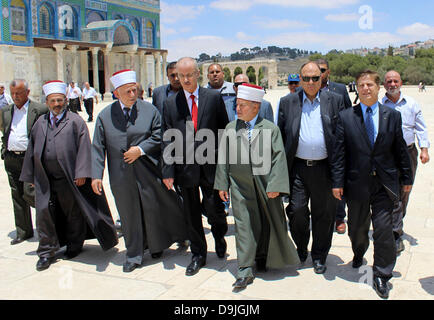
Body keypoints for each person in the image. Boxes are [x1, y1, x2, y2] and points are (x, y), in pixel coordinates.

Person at [92, 69, 187, 273]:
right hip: (120, 174)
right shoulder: (104, 116)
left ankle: (157, 246)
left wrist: (140, 150)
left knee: (152, 209)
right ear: (116, 93)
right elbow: (98, 147)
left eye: (135, 90)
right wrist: (96, 175)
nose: (133, 95)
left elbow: (158, 135)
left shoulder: (149, 111)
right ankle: (134, 254)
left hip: (148, 170)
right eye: (128, 91)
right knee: (128, 214)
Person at [19, 80, 118, 271]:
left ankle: (74, 245)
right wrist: (30, 176)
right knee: (43, 214)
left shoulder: (75, 121)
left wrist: (82, 173)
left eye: (60, 100)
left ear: (65, 100)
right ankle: (46, 252)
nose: (57, 104)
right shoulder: (40, 123)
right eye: (53, 101)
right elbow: (31, 149)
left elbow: (84, 148)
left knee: (73, 212)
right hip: (45, 179)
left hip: (69, 178)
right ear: (47, 102)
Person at [331, 70, 413, 299]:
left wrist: (406, 178)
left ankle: (381, 274)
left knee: (384, 230)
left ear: (379, 88)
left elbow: (400, 150)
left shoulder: (392, 116)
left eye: (369, 84)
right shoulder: (347, 117)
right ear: (357, 88)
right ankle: (359, 252)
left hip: (384, 184)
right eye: (361, 85)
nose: (365, 88)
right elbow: (339, 155)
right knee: (357, 228)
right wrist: (337, 182)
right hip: (357, 184)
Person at [215, 83, 300, 290]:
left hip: (266, 185)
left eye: (243, 105)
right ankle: (244, 269)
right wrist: (222, 184)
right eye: (237, 104)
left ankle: (263, 256)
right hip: (239, 185)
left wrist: (275, 185)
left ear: (255, 106)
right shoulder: (230, 128)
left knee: (266, 221)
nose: (237, 109)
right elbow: (223, 158)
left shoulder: (270, 129)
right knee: (244, 225)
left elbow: (279, 159)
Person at [161, 57, 229, 276]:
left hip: (211, 166)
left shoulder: (213, 98)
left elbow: (224, 131)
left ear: (198, 74)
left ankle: (219, 236)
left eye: (190, 75)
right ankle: (198, 254)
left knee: (215, 210)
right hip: (185, 169)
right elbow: (167, 139)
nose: (186, 79)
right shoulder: (171, 103)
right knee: (191, 215)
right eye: (182, 76)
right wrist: (168, 171)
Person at [277, 61, 344, 274]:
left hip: (324, 169)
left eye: (316, 77)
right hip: (297, 168)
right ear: (300, 78)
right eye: (306, 78)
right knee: (296, 211)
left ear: (322, 78)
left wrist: (339, 177)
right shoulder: (287, 102)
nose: (311, 82)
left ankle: (319, 255)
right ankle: (301, 247)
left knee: (324, 215)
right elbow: (281, 139)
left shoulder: (336, 101)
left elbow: (342, 141)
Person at [382, 70, 430, 254]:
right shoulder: (380, 105)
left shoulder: (411, 104)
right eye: (389, 81)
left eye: (395, 81)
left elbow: (421, 127)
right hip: (388, 155)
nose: (392, 84)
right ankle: (395, 233)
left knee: (405, 191)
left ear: (401, 82)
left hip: (408, 153)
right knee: (391, 193)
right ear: (384, 85)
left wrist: (424, 149)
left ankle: (397, 223)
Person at [0, 80, 47, 245]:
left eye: (18, 93)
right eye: (12, 93)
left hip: (30, 159)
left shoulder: (39, 110)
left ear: (27, 92)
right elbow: (5, 131)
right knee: (17, 194)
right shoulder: (6, 111)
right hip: (12, 158)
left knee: (31, 193)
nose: (15, 97)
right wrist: (4, 150)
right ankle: (23, 231)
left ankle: (47, 228)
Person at [316, 58, 352, 235]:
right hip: (317, 148)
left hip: (336, 145)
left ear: (328, 72)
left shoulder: (340, 89)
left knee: (338, 181)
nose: (320, 74)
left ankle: (339, 217)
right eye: (317, 70)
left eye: (322, 70)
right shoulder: (307, 88)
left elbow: (348, 114)